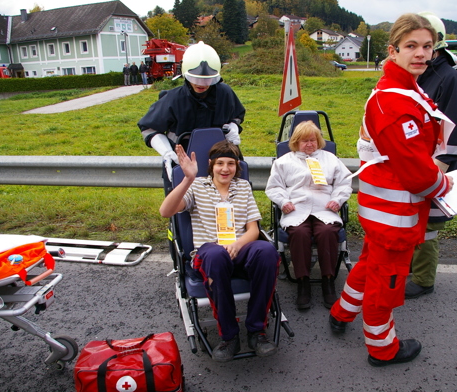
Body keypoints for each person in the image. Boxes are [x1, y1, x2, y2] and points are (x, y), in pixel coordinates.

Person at [328, 13, 454, 367]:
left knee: (369, 265)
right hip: (395, 216)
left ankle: (342, 313)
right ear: (393, 50)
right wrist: (446, 184)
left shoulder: (401, 89)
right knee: (386, 284)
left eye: (427, 46)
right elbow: (417, 173)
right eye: (411, 46)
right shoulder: (395, 102)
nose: (421, 54)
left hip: (382, 210)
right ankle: (383, 349)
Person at [159, 140, 280, 362]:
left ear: (237, 166)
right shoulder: (196, 186)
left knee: (267, 251)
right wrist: (187, 178)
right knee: (216, 255)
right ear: (211, 165)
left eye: (231, 164)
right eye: (220, 163)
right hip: (210, 252)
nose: (225, 169)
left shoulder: (242, 186)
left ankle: (257, 331)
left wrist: (237, 244)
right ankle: (229, 336)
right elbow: (166, 211)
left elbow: (253, 229)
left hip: (240, 248)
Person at [406, 12, 457, 300]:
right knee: (412, 221)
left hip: (435, 166)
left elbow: (454, 127)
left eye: (425, 45)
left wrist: (436, 170)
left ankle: (423, 279)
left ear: (436, 45)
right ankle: (411, 269)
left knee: (428, 226)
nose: (418, 51)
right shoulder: (423, 76)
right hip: (417, 162)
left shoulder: (450, 78)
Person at [265, 120, 352, 310]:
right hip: (296, 209)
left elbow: (344, 183)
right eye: (304, 141)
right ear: (296, 142)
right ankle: (303, 282)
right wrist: (283, 202)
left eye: (313, 140)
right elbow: (274, 187)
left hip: (324, 208)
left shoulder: (330, 159)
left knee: (328, 232)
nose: (309, 144)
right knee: (300, 234)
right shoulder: (284, 162)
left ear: (318, 141)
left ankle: (328, 280)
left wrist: (337, 199)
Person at [137, 41, 245, 188]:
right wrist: (167, 153)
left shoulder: (225, 94)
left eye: (208, 80)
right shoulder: (173, 99)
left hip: (220, 166)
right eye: (196, 79)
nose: (201, 84)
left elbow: (237, 115)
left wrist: (233, 126)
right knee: (181, 209)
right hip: (182, 166)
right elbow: (148, 128)